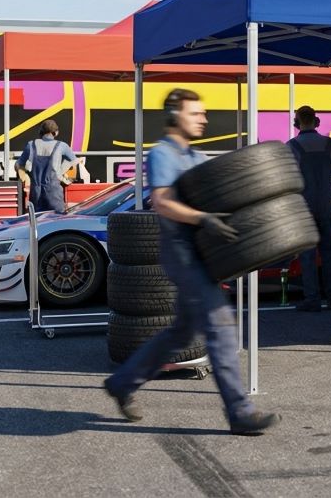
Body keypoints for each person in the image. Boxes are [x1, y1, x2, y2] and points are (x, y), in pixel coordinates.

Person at [103, 89, 278, 435]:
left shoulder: (197, 156)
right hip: (181, 254)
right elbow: (162, 202)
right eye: (195, 113)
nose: (204, 119)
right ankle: (240, 412)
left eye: (203, 113)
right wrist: (202, 219)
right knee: (220, 326)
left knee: (180, 332)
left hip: (202, 253)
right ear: (174, 115)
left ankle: (122, 382)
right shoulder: (162, 154)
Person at [287, 106, 331, 312]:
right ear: (316, 122)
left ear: (297, 123)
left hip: (303, 208)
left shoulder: (291, 146)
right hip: (326, 206)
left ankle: (312, 299)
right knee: (329, 253)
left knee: (307, 255)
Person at [15, 119, 81, 213]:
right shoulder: (61, 146)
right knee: (57, 220)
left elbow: (18, 164)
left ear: (41, 132)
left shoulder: (31, 145)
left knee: (36, 220)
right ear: (56, 133)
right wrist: (65, 178)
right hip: (54, 194)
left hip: (36, 194)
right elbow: (75, 162)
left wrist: (25, 176)